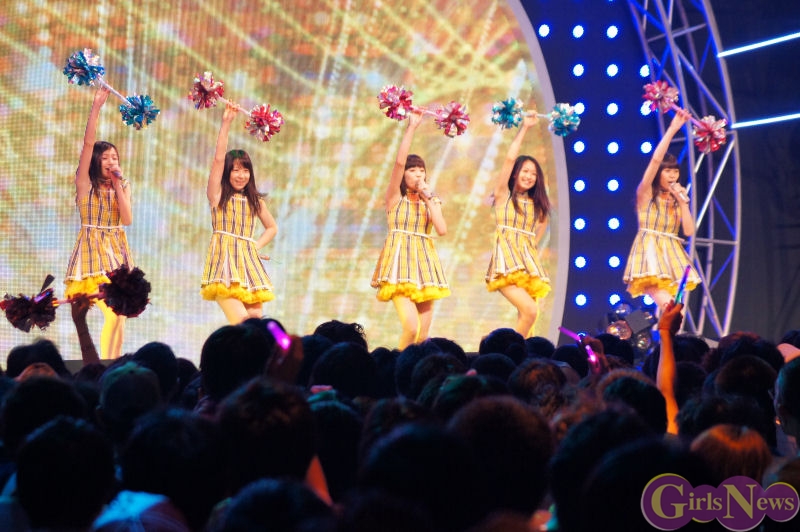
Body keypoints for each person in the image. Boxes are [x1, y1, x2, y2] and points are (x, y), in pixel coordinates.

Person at [64, 86, 134, 360]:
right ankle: (106, 366)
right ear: (95, 161)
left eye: (114, 157)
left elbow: (127, 219)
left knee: (120, 316)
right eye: (105, 157)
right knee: (113, 312)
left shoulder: (123, 185)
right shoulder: (85, 184)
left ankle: (112, 363)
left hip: (117, 255)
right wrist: (96, 108)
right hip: (92, 256)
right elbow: (87, 144)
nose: (111, 161)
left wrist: (118, 185)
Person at [371, 110, 450, 349]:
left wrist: (428, 197)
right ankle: (396, 367)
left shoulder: (431, 200)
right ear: (404, 175)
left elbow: (441, 229)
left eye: (421, 170)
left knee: (423, 337)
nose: (418, 174)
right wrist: (412, 127)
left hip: (424, 267)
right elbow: (398, 163)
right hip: (399, 266)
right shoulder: (395, 198)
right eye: (412, 170)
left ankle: (413, 369)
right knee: (411, 327)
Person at [201, 103, 277, 324]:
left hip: (249, 268)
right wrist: (226, 123)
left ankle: (282, 344)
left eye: (245, 170)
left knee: (257, 325)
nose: (241, 175)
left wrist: (254, 246)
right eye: (236, 170)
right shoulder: (217, 195)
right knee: (243, 324)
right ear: (227, 172)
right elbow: (218, 160)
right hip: (224, 268)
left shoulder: (255, 201)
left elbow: (272, 227)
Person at [623, 109, 701, 311]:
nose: (672, 175)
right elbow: (656, 160)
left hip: (671, 255)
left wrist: (683, 203)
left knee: (675, 311)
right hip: (650, 252)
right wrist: (673, 129)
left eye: (675, 171)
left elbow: (689, 231)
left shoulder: (676, 200)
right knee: (670, 307)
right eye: (668, 171)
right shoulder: (646, 194)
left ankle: (665, 331)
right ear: (659, 174)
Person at [486, 114, 551, 337]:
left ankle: (521, 354)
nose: (529, 176)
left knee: (528, 320)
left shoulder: (536, 204)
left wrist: (530, 247)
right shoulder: (503, 196)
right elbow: (508, 159)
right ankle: (508, 352)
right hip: (505, 265)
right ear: (515, 174)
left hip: (528, 265)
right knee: (530, 311)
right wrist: (525, 127)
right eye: (525, 171)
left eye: (533, 173)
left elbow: (541, 227)